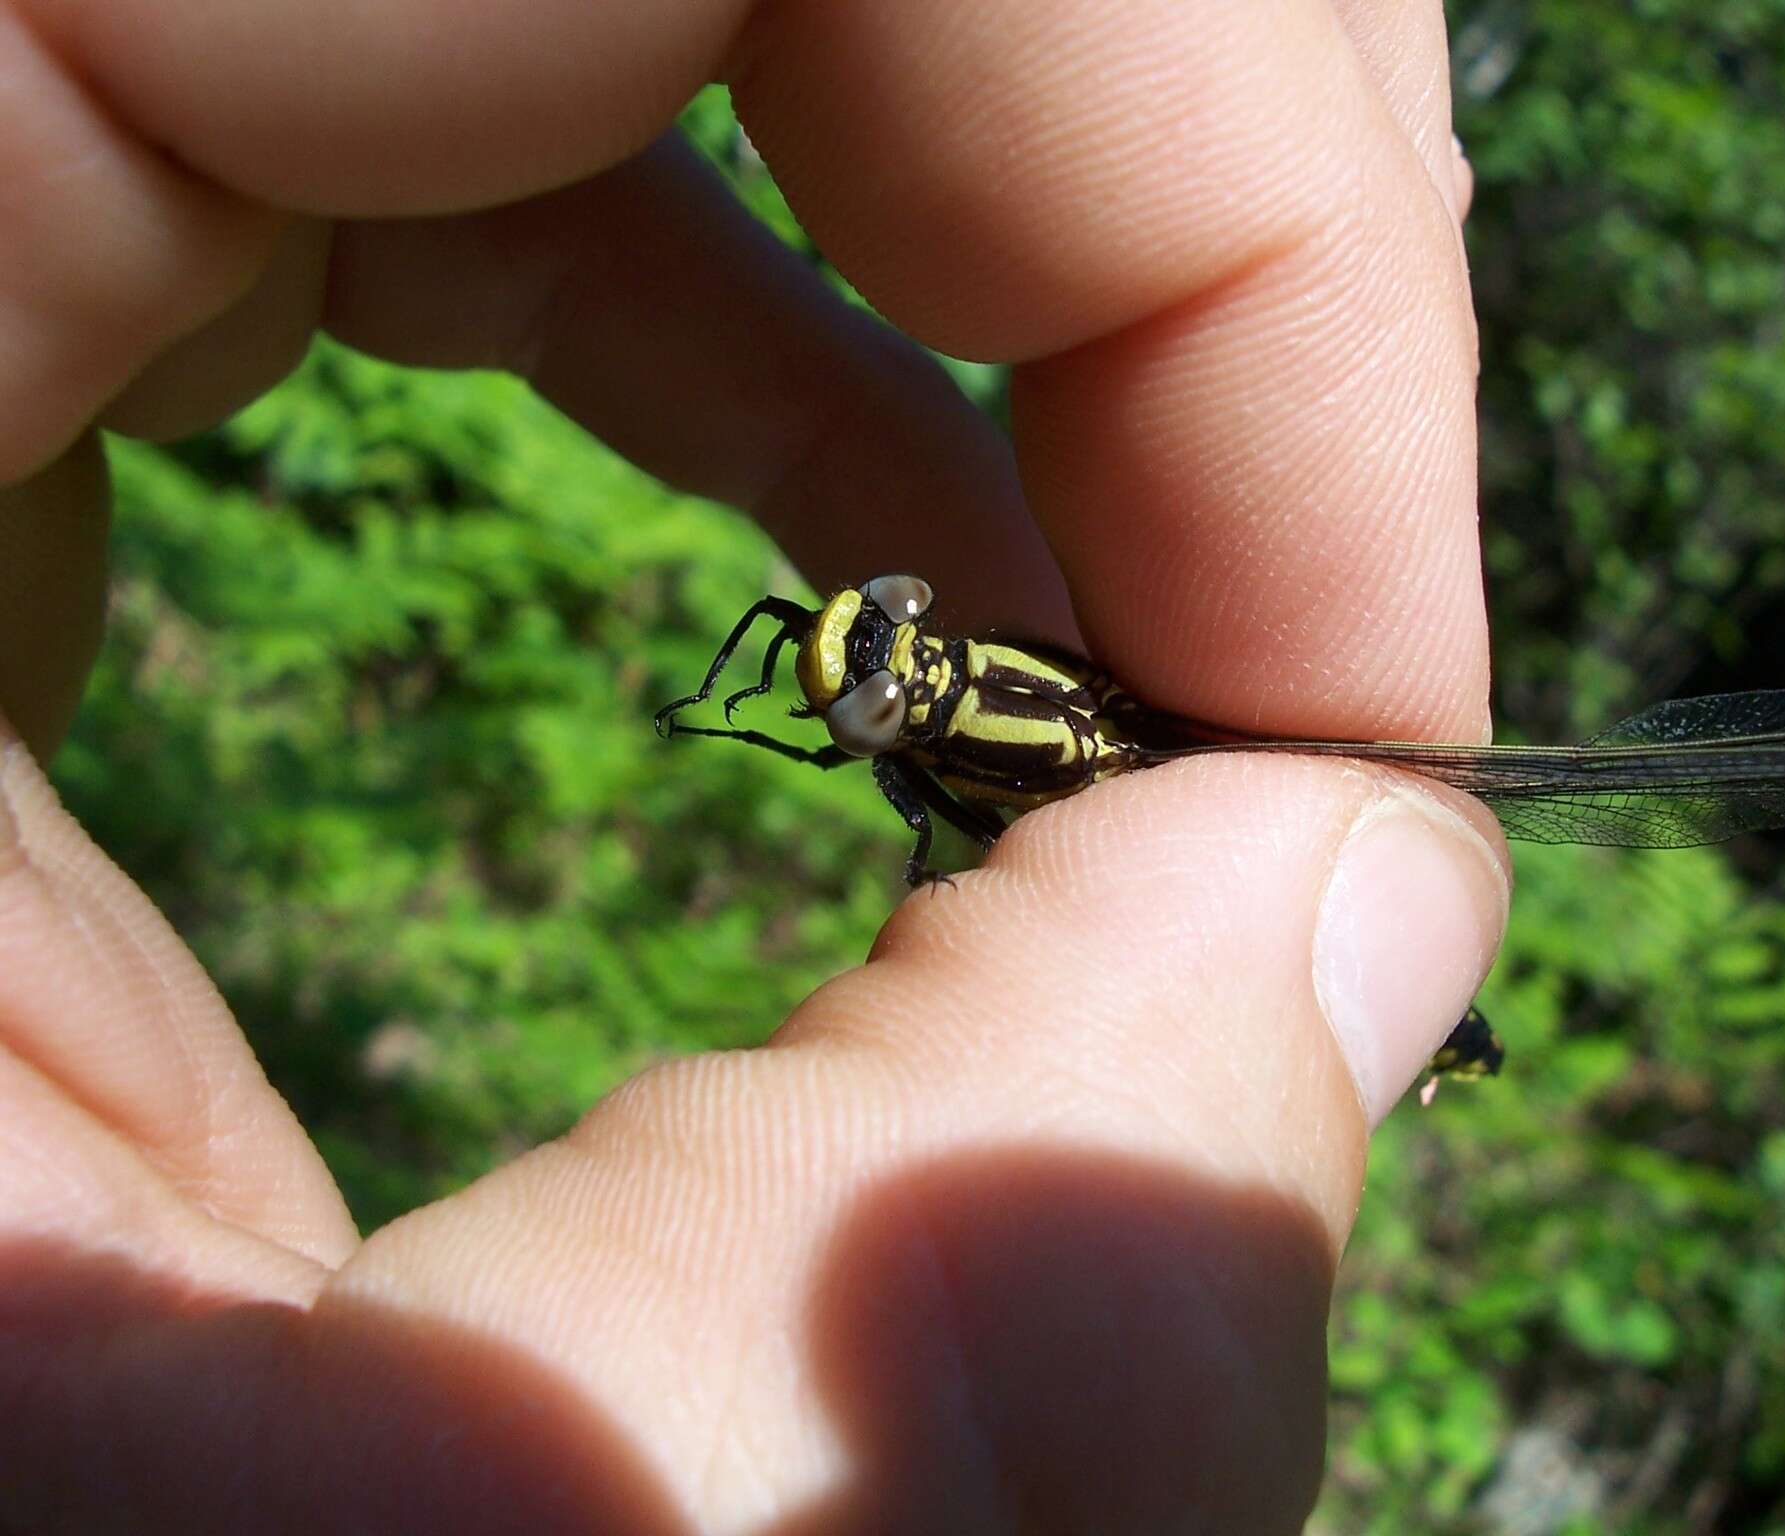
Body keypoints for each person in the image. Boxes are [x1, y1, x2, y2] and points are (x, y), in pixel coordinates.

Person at [0, 1, 1507, 1529]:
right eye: (882, 657)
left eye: (891, 645)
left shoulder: (953, 739)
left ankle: (1449, 1025)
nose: (874, 640)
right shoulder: (926, 690)